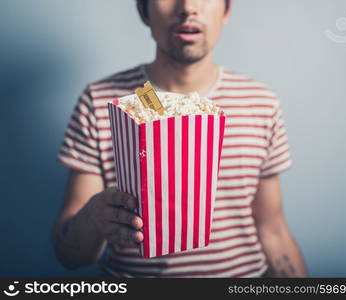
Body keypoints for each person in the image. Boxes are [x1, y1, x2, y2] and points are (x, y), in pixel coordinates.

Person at [52, 0, 308, 277]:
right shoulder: (100, 101)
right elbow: (70, 255)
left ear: (227, 10)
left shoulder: (259, 103)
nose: (187, 7)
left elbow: (272, 230)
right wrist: (96, 218)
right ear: (143, 10)